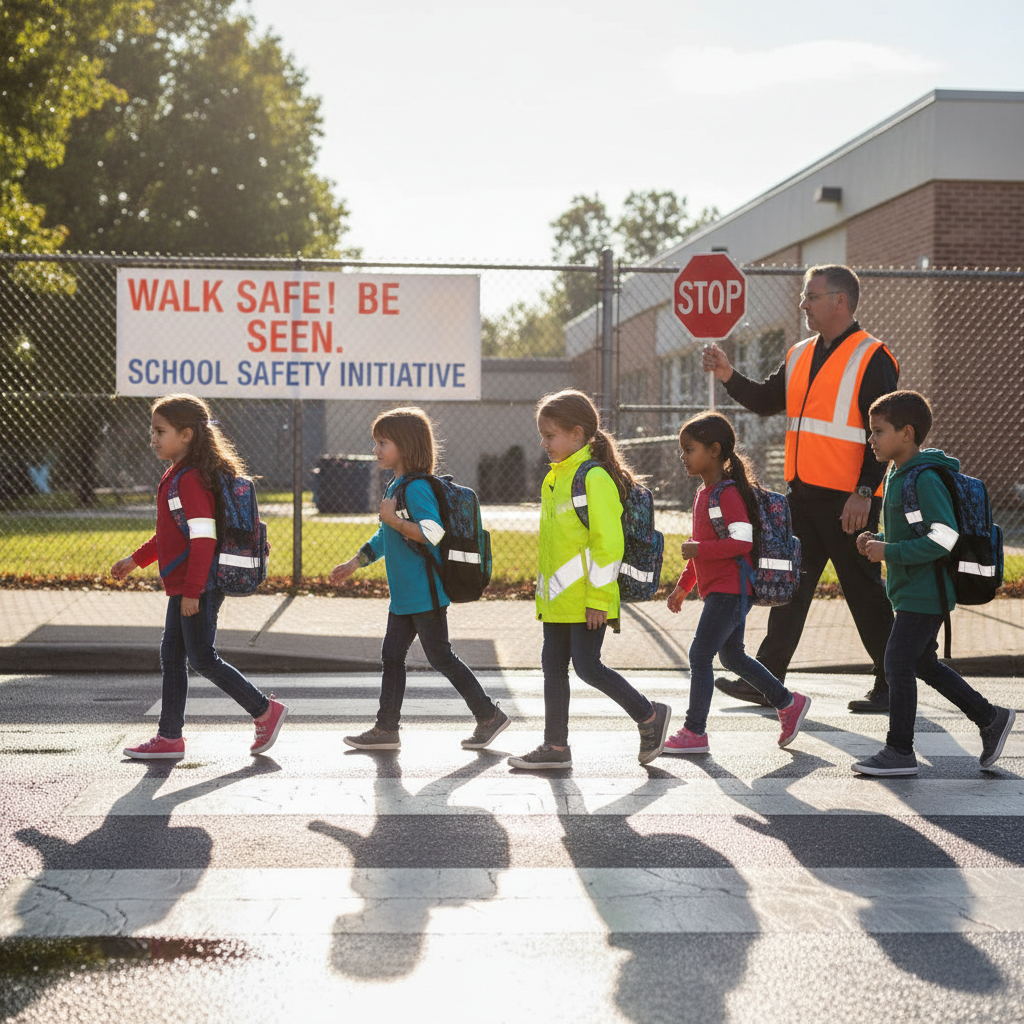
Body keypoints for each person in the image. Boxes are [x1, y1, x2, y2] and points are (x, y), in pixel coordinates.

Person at [702, 263, 898, 713]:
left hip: (849, 501)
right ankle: (767, 680)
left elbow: (884, 433)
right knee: (787, 587)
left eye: (811, 296)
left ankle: (891, 684)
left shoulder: (873, 358)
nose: (803, 304)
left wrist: (865, 492)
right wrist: (729, 375)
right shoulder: (800, 353)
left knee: (865, 593)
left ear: (839, 302)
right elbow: (768, 401)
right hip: (803, 498)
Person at [113, 394, 288, 760]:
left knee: (202, 657)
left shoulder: (190, 479)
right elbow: (170, 534)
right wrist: (135, 560)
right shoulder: (176, 475)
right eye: (153, 430)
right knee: (174, 655)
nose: (153, 438)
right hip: (186, 584)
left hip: (198, 584)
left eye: (161, 431)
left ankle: (264, 711)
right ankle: (170, 737)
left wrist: (193, 591)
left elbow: (204, 538)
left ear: (187, 434)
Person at [851, 390, 1015, 775]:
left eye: (878, 431)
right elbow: (913, 529)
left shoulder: (923, 478)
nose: (870, 439)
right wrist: (876, 541)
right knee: (922, 663)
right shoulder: (896, 473)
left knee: (897, 662)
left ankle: (899, 751)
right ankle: (991, 718)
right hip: (912, 589)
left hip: (927, 591)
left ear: (906, 433)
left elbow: (945, 537)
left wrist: (888, 552)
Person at [507, 389, 671, 769]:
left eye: (551, 435)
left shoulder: (592, 477)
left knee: (587, 667)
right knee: (553, 669)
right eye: (543, 436)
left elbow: (607, 543)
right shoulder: (555, 479)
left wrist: (598, 598)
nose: (545, 443)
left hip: (588, 600)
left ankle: (649, 716)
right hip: (559, 602)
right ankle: (556, 748)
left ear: (577, 434)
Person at [330, 407, 509, 751]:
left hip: (425, 594)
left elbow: (434, 532)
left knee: (440, 657)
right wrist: (356, 562)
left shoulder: (415, 489)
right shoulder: (397, 485)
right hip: (405, 596)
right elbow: (386, 536)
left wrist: (395, 520)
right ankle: (387, 729)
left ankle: (488, 716)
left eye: (383, 442)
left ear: (406, 446)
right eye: (376, 442)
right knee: (393, 657)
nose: (376, 449)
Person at [664, 412, 811, 754]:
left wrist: (699, 549)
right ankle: (788, 704)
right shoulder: (705, 493)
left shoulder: (725, 494)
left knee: (700, 655)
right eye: (682, 450)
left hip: (732, 589)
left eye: (689, 449)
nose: (683, 456)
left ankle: (694, 731)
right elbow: (701, 550)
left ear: (714, 451)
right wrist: (684, 585)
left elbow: (741, 541)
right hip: (724, 589)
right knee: (732, 657)